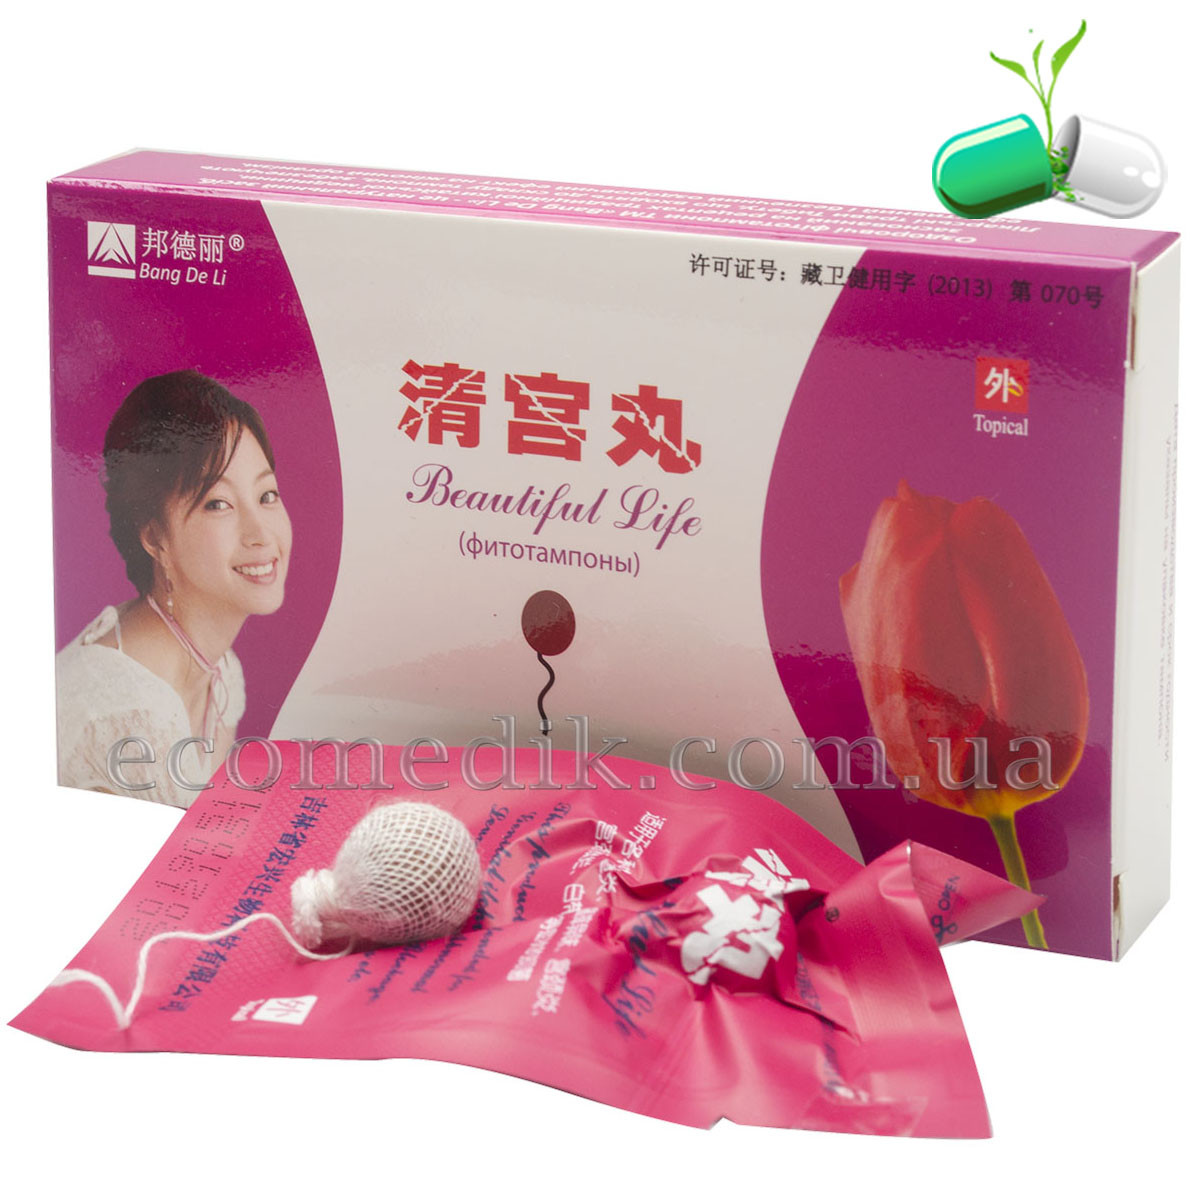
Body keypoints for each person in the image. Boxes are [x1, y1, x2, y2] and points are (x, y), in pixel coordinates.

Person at [56, 371, 292, 807]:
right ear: (155, 537)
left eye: (267, 495)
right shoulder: (131, 713)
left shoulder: (220, 672)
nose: (261, 534)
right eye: (218, 504)